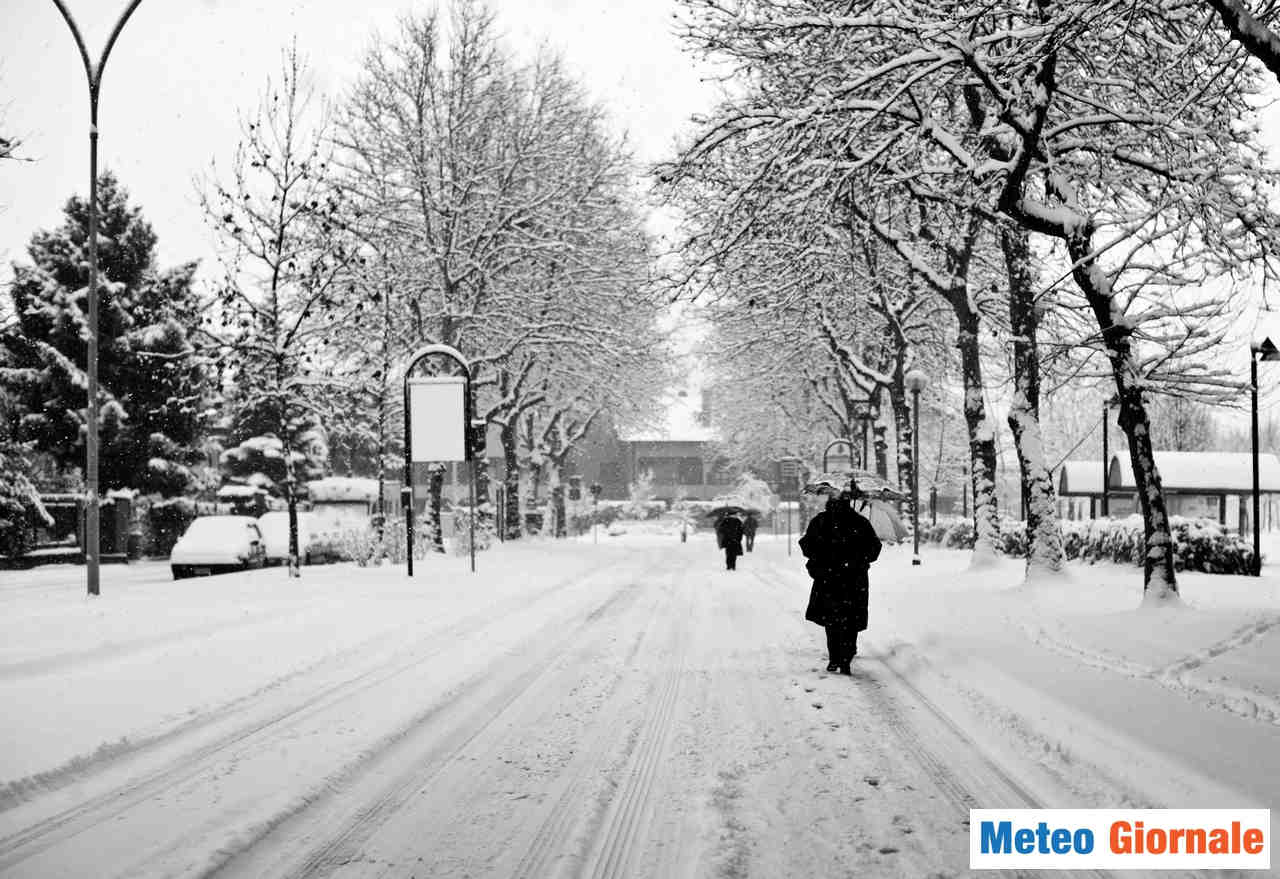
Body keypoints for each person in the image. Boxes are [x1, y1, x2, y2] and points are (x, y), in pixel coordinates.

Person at [798, 487, 882, 674]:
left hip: (828, 579)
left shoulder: (820, 521)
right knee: (850, 620)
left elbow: (806, 545)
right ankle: (846, 657)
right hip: (854, 580)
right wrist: (859, 560)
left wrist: (821, 557)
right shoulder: (860, 523)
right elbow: (875, 548)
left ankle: (834, 657)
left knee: (832, 620)